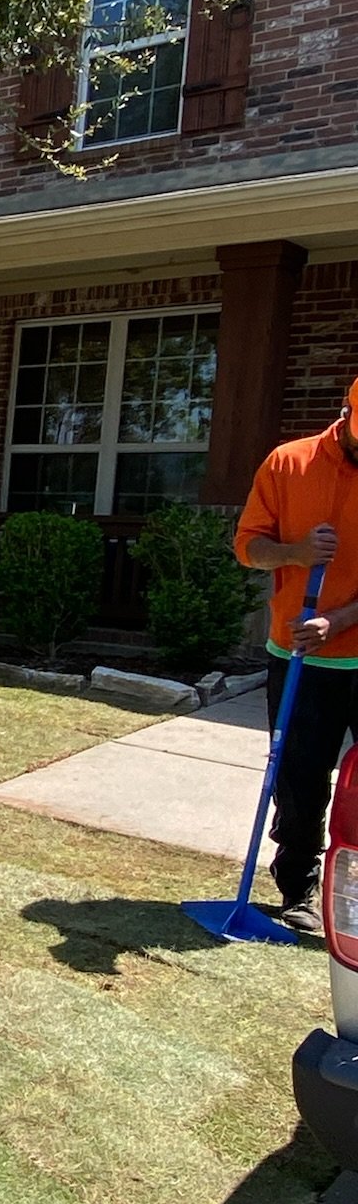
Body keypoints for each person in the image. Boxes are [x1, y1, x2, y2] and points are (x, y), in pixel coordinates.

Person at [235, 376, 358, 931]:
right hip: (299, 659)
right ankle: (300, 891)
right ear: (346, 412)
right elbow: (249, 546)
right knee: (301, 779)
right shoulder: (288, 464)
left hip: (345, 640)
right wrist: (298, 552)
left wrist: (340, 619)